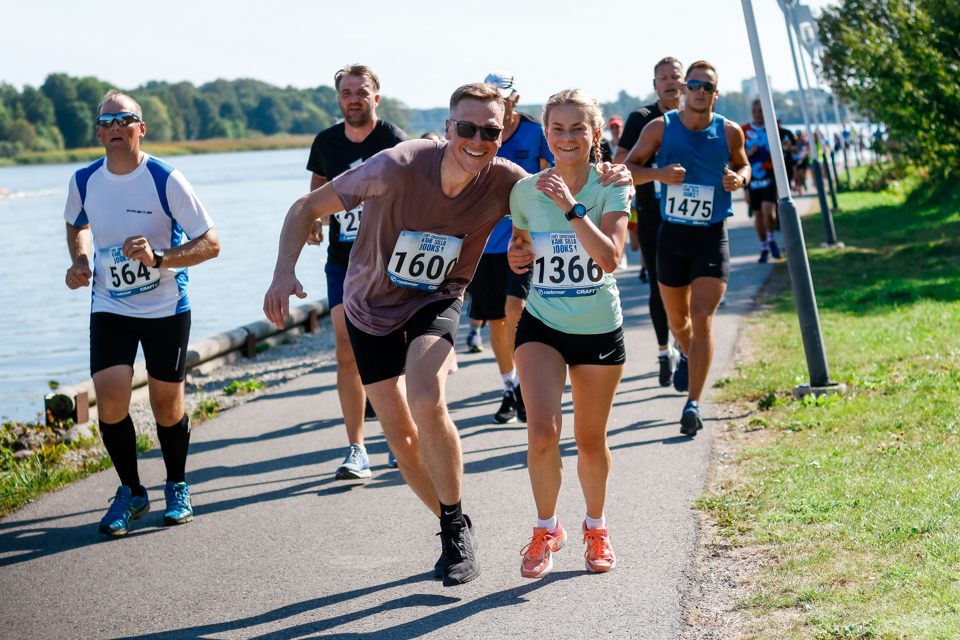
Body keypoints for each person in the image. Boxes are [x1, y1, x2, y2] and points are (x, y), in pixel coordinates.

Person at [264, 83, 631, 586]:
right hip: (368, 306)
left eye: (490, 130)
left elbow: (557, 200)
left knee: (425, 395)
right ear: (447, 128)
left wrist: (612, 173)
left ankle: (456, 533)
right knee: (400, 436)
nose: (478, 139)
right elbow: (306, 207)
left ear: (504, 134)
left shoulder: (507, 179)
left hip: (436, 298)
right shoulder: (395, 164)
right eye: (467, 128)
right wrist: (284, 271)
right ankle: (450, 519)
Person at [63, 90, 220, 536]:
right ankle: (131, 491)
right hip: (110, 303)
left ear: (140, 128)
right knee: (109, 397)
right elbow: (77, 222)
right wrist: (79, 260)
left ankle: (177, 484)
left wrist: (159, 258)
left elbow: (211, 243)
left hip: (166, 305)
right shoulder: (84, 179)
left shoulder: (165, 178)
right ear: (98, 132)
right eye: (107, 121)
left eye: (124, 119)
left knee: (166, 406)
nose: (115, 127)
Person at [508, 89, 631, 578]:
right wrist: (519, 256)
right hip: (542, 322)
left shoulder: (613, 185)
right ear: (546, 134)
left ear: (595, 134)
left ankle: (596, 527)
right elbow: (521, 247)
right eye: (557, 128)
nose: (567, 137)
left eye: (577, 127)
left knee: (588, 440)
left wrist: (573, 206)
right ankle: (545, 528)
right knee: (541, 434)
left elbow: (609, 259)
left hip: (598, 326)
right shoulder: (525, 190)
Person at [625, 60, 750, 436]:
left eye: (706, 86)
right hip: (672, 236)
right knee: (678, 321)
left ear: (715, 93)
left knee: (702, 316)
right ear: (684, 89)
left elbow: (745, 167)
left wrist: (738, 181)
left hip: (711, 234)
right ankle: (684, 353)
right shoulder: (660, 127)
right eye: (693, 84)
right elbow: (628, 166)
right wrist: (659, 175)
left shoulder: (729, 131)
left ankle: (692, 404)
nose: (699, 90)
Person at [305, 65, 409, 479]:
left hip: (388, 260)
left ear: (376, 98)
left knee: (393, 349)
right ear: (338, 100)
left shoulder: (395, 141)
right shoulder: (326, 142)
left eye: (361, 92)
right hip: (344, 261)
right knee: (346, 347)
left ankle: (396, 436)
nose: (353, 99)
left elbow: (414, 195)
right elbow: (317, 189)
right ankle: (356, 449)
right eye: (346, 92)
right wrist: (312, 218)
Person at [464, 71, 554, 424]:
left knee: (516, 309)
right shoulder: (476, 131)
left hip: (525, 240)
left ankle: (530, 382)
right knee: (496, 322)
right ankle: (510, 387)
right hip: (485, 242)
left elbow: (554, 178)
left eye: (503, 96)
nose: (498, 102)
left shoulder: (535, 132)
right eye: (491, 96)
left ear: (515, 98)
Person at [614, 57, 684, 387]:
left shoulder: (698, 119)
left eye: (676, 77)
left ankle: (685, 348)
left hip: (692, 215)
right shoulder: (642, 118)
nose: (670, 82)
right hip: (654, 214)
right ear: (655, 84)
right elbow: (619, 163)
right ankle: (663, 351)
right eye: (663, 78)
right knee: (659, 285)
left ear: (686, 83)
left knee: (690, 286)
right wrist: (658, 172)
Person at [742, 99, 781, 263]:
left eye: (761, 111)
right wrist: (749, 153)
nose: (758, 114)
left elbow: (782, 150)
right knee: (758, 214)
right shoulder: (744, 130)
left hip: (769, 174)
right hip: (752, 177)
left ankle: (771, 238)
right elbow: (737, 156)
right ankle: (764, 246)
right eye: (755, 111)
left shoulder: (772, 129)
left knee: (768, 211)